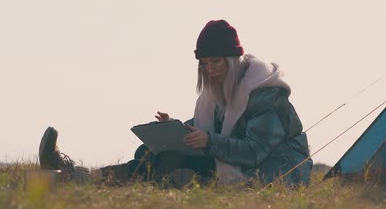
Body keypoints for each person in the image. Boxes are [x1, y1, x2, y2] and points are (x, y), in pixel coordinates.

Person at [39, 19, 312, 187]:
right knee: (161, 154)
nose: (211, 70)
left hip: (275, 173)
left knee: (174, 165)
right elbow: (214, 131)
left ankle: (182, 182)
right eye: (204, 64)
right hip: (233, 163)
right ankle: (78, 176)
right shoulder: (217, 95)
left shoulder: (266, 95)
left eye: (216, 61)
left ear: (231, 59)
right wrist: (178, 130)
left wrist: (207, 142)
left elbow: (255, 151)